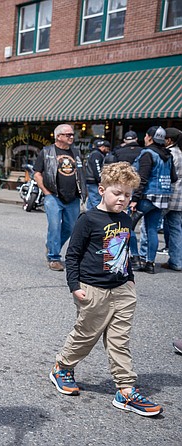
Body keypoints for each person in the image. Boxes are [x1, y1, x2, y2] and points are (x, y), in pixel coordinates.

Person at [50, 162, 161, 417]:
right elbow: (74, 254)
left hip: (122, 290)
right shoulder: (88, 219)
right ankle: (62, 367)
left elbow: (123, 250)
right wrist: (74, 286)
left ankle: (125, 390)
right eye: (117, 193)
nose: (122, 199)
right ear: (101, 190)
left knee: (119, 341)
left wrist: (130, 278)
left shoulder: (125, 218)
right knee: (85, 336)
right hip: (93, 290)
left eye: (127, 195)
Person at [33, 124, 87, 271]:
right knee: (55, 227)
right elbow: (37, 173)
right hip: (54, 196)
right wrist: (45, 191)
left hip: (73, 197)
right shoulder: (47, 152)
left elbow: (80, 173)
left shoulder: (75, 152)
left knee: (70, 228)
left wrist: (83, 191)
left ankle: (51, 246)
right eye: (68, 134)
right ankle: (54, 257)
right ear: (58, 136)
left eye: (72, 134)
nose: (71, 137)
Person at [130, 126, 178, 274]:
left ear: (149, 137)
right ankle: (150, 263)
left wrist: (134, 199)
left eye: (145, 135)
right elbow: (174, 178)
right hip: (162, 198)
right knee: (152, 230)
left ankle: (136, 259)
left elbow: (142, 178)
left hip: (146, 197)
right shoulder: (167, 155)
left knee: (127, 226)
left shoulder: (147, 153)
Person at [161, 127, 182, 271]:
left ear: (168, 140)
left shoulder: (171, 154)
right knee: (176, 230)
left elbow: (167, 176)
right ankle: (176, 261)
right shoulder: (180, 153)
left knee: (149, 225)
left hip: (168, 196)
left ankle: (145, 259)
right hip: (179, 198)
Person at [85, 139, 111, 210]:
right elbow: (97, 168)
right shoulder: (97, 154)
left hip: (90, 181)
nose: (108, 150)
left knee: (91, 202)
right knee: (96, 202)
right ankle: (95, 218)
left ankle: (89, 217)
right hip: (94, 181)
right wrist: (100, 180)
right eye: (107, 148)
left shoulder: (92, 153)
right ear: (102, 147)